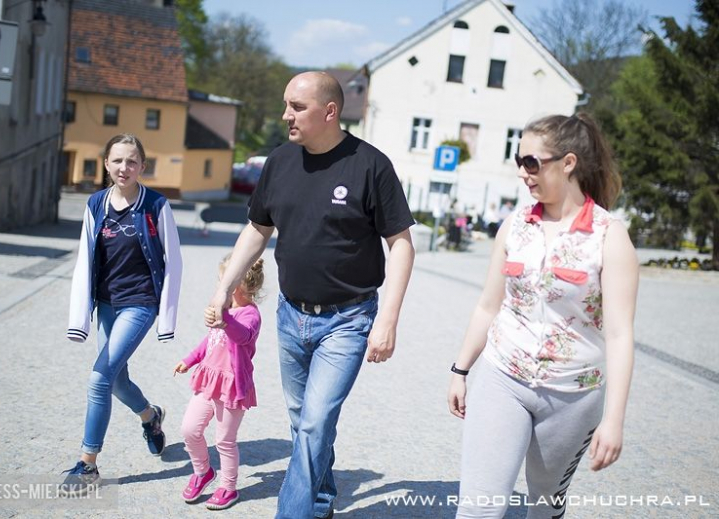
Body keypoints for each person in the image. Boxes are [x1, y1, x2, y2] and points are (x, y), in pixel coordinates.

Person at [208, 71, 415, 519]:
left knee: (315, 424)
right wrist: (225, 287)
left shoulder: (370, 165)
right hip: (290, 316)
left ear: (330, 111)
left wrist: (389, 320)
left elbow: (400, 244)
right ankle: (320, 501)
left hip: (348, 320)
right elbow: (257, 229)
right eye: (286, 105)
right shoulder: (280, 162)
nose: (286, 115)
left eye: (296, 107)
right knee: (305, 424)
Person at [447, 112, 638, 518]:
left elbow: (620, 334)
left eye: (531, 162)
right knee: (479, 508)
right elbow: (488, 305)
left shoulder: (609, 235)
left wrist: (614, 420)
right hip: (503, 377)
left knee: (544, 507)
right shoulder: (513, 227)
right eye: (518, 162)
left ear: (568, 163)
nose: (522, 173)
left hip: (573, 396)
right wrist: (461, 369)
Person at [61, 133, 183, 496]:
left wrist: (166, 319)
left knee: (99, 378)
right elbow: (85, 259)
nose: (124, 168)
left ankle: (87, 465)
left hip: (140, 303)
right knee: (116, 381)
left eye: (131, 161)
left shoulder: (156, 206)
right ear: (106, 164)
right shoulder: (95, 204)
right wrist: (80, 316)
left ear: (142, 166)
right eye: (117, 160)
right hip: (107, 304)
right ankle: (150, 416)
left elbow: (174, 262)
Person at [174, 256, 264, 511]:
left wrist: (225, 318)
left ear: (236, 284)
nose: (219, 285)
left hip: (232, 386)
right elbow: (210, 340)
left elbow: (242, 335)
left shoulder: (250, 315)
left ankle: (228, 487)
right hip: (208, 380)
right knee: (189, 430)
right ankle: (203, 472)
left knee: (225, 441)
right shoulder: (224, 310)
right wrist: (190, 359)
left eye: (223, 280)